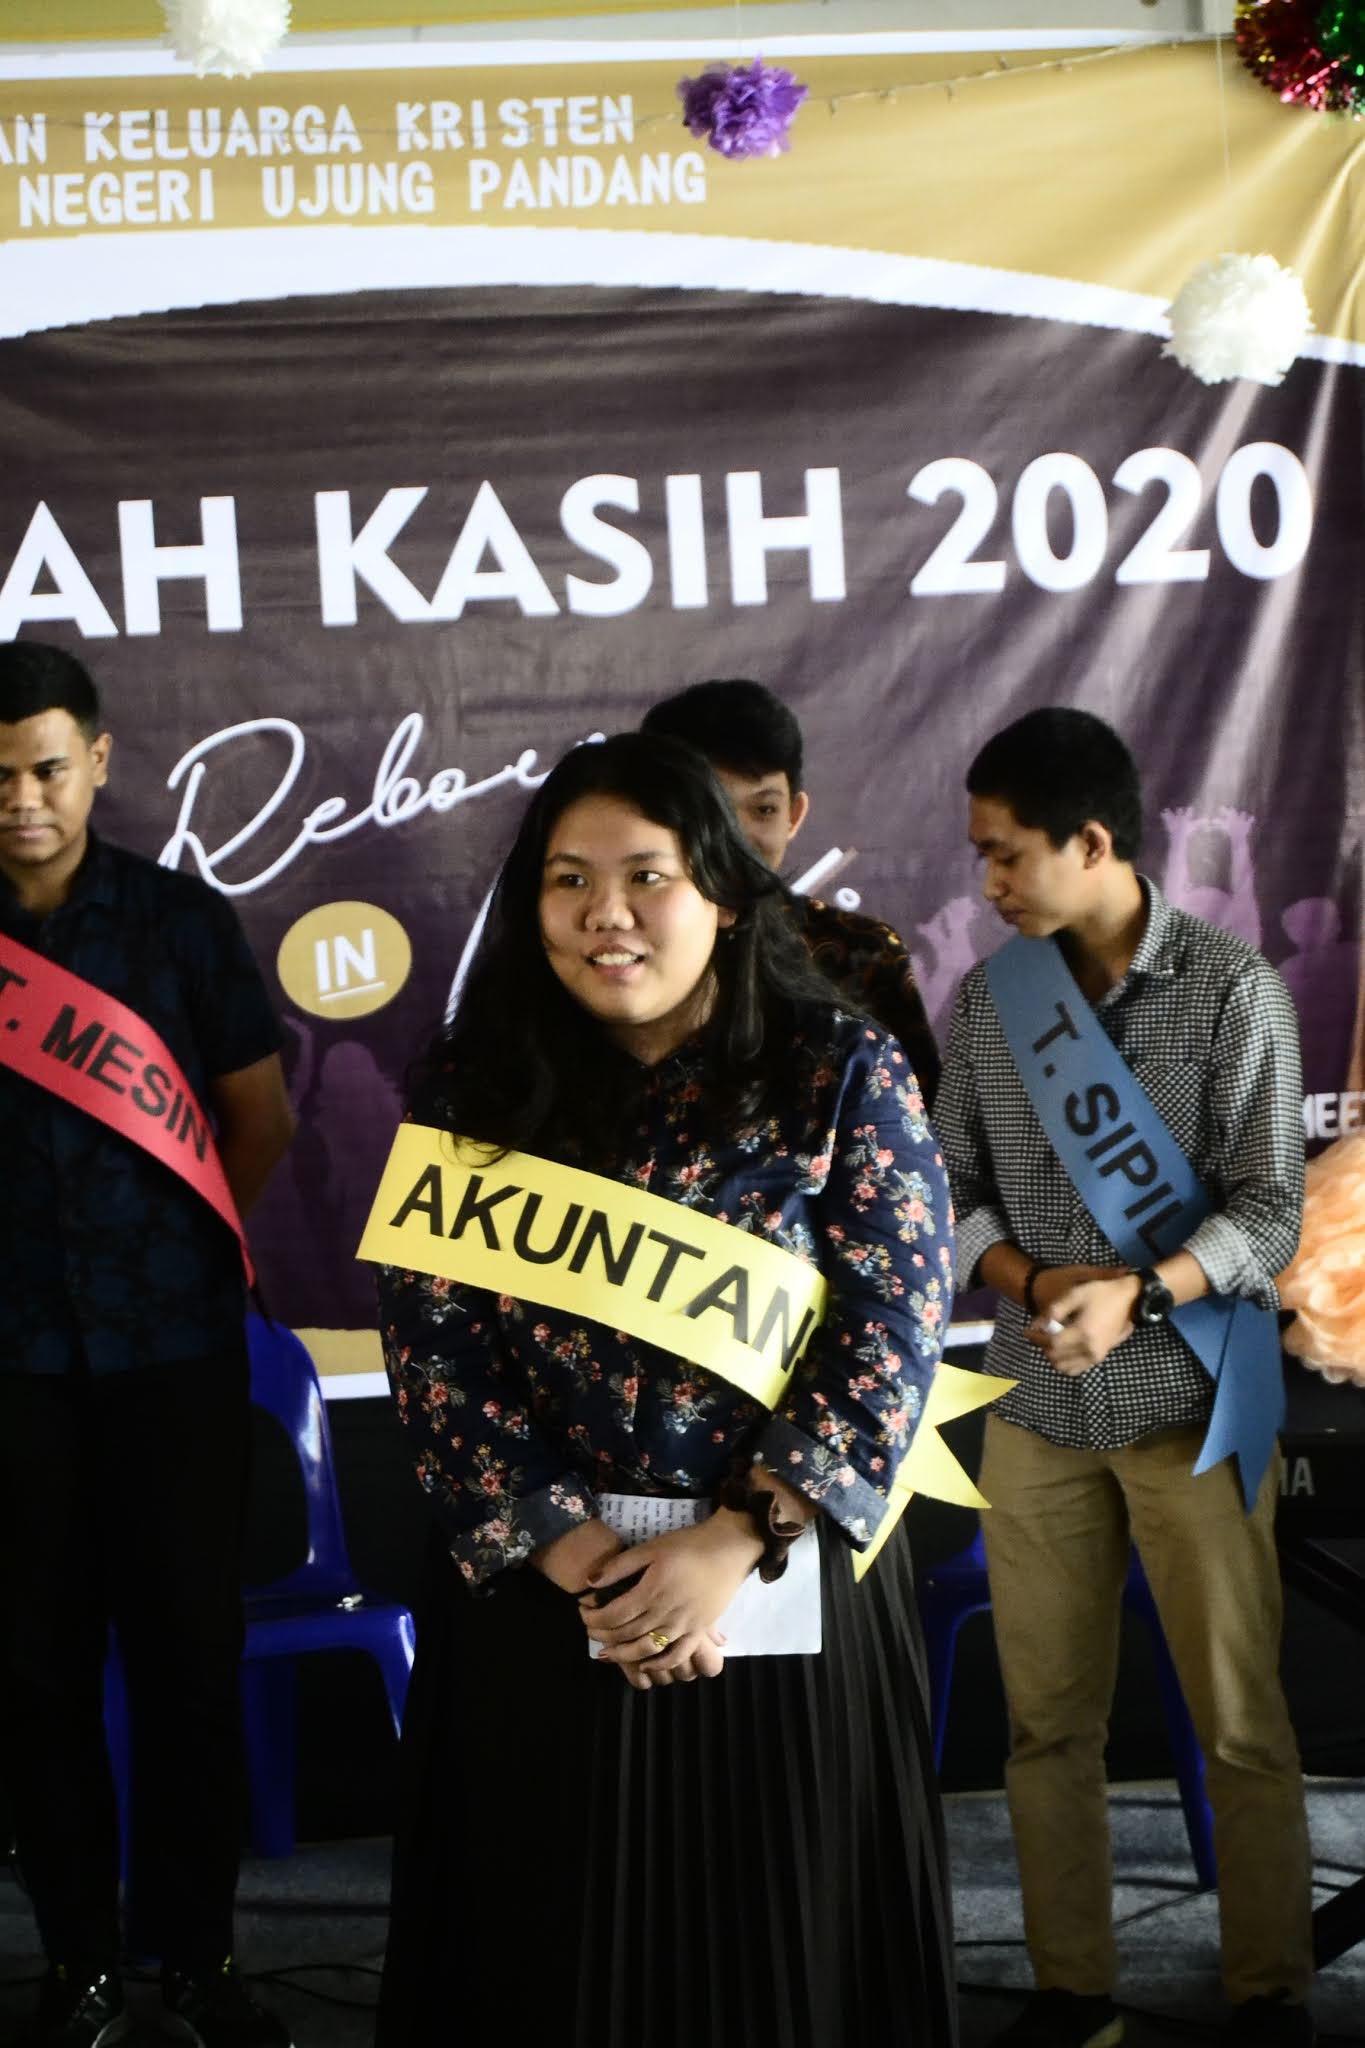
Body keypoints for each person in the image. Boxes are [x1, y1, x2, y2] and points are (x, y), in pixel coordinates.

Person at [372, 730, 957, 2048]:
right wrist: (584, 1563)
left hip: (776, 1592)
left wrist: (736, 1540)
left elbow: (893, 1326)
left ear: (727, 895)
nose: (606, 914)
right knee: (547, 1960)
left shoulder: (839, 1070)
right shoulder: (473, 1084)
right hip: (544, 1601)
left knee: (781, 1955)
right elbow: (434, 1346)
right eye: (568, 880)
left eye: (647, 876)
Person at [934, 708, 1314, 2048]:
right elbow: (952, 1194)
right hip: (1036, 1405)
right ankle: (1072, 1991)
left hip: (1193, 1402)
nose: (988, 881)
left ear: (1091, 843)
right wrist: (1035, 1282)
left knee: (1241, 1723)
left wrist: (1139, 1293)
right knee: (1045, 1726)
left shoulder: (1232, 992)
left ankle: (1270, 1991)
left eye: (1006, 853)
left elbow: (1272, 1212)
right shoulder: (990, 1002)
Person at [0, 642, 296, 2048]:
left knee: (188, 1659)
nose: (21, 797)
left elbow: (260, 1121)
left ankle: (196, 1959)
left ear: (99, 761)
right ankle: (77, 1960)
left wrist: (175, 1256)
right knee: (31, 1668)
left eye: (46, 767)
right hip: (9, 1367)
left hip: (174, 1353)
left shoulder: (181, 921)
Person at [642, 677, 942, 1100]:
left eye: (764, 809)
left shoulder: (863, 955)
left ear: (794, 815)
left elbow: (919, 1117)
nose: (738, 837)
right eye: (712, 810)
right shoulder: (614, 949)